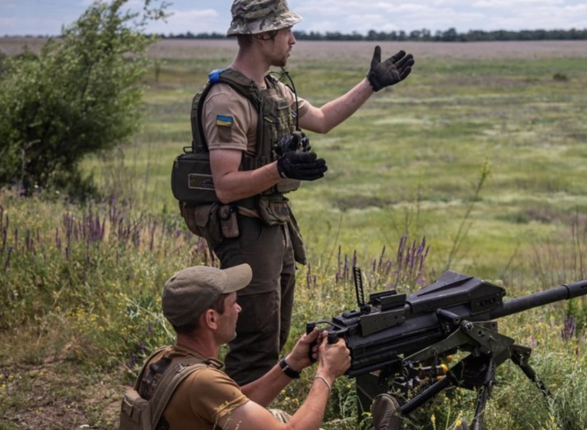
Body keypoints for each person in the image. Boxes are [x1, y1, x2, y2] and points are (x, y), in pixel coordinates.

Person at [191, 0, 415, 386]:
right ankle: (232, 418)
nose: (293, 40)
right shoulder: (226, 99)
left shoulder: (273, 91)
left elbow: (324, 119)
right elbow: (225, 186)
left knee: (274, 338)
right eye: (286, 32)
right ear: (264, 36)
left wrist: (372, 84)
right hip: (244, 231)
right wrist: (281, 168)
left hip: (272, 226)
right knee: (255, 346)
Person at [131, 263, 409, 430]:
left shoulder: (164, 360)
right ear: (211, 319)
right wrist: (326, 373)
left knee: (271, 416)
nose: (239, 308)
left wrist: (291, 364)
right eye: (232, 304)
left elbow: (233, 402)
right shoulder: (202, 382)